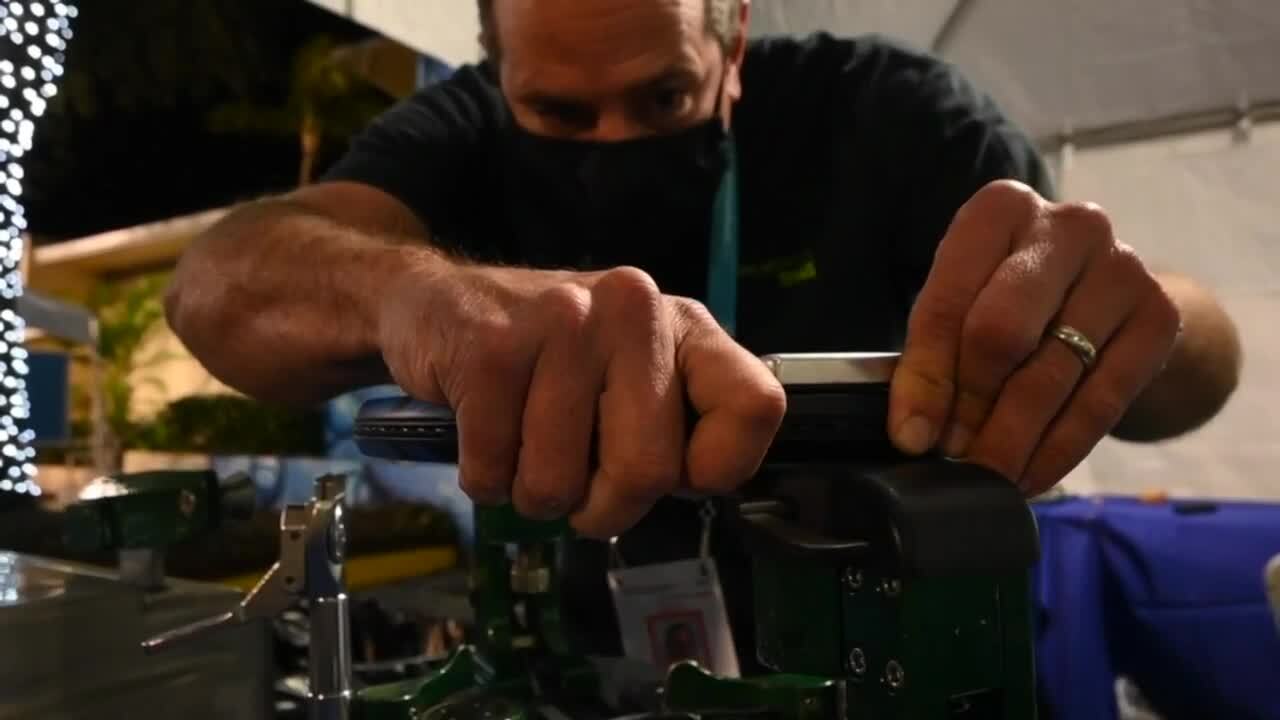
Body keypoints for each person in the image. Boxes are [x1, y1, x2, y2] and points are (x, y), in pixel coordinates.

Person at [166, 0, 1242, 665]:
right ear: (496, 66)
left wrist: (1129, 318)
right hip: (584, 659)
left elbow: (1199, 368)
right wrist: (413, 293)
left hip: (907, 653)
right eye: (560, 114)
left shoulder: (889, 113)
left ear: (732, 42)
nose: (613, 139)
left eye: (664, 96)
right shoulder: (459, 133)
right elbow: (217, 286)